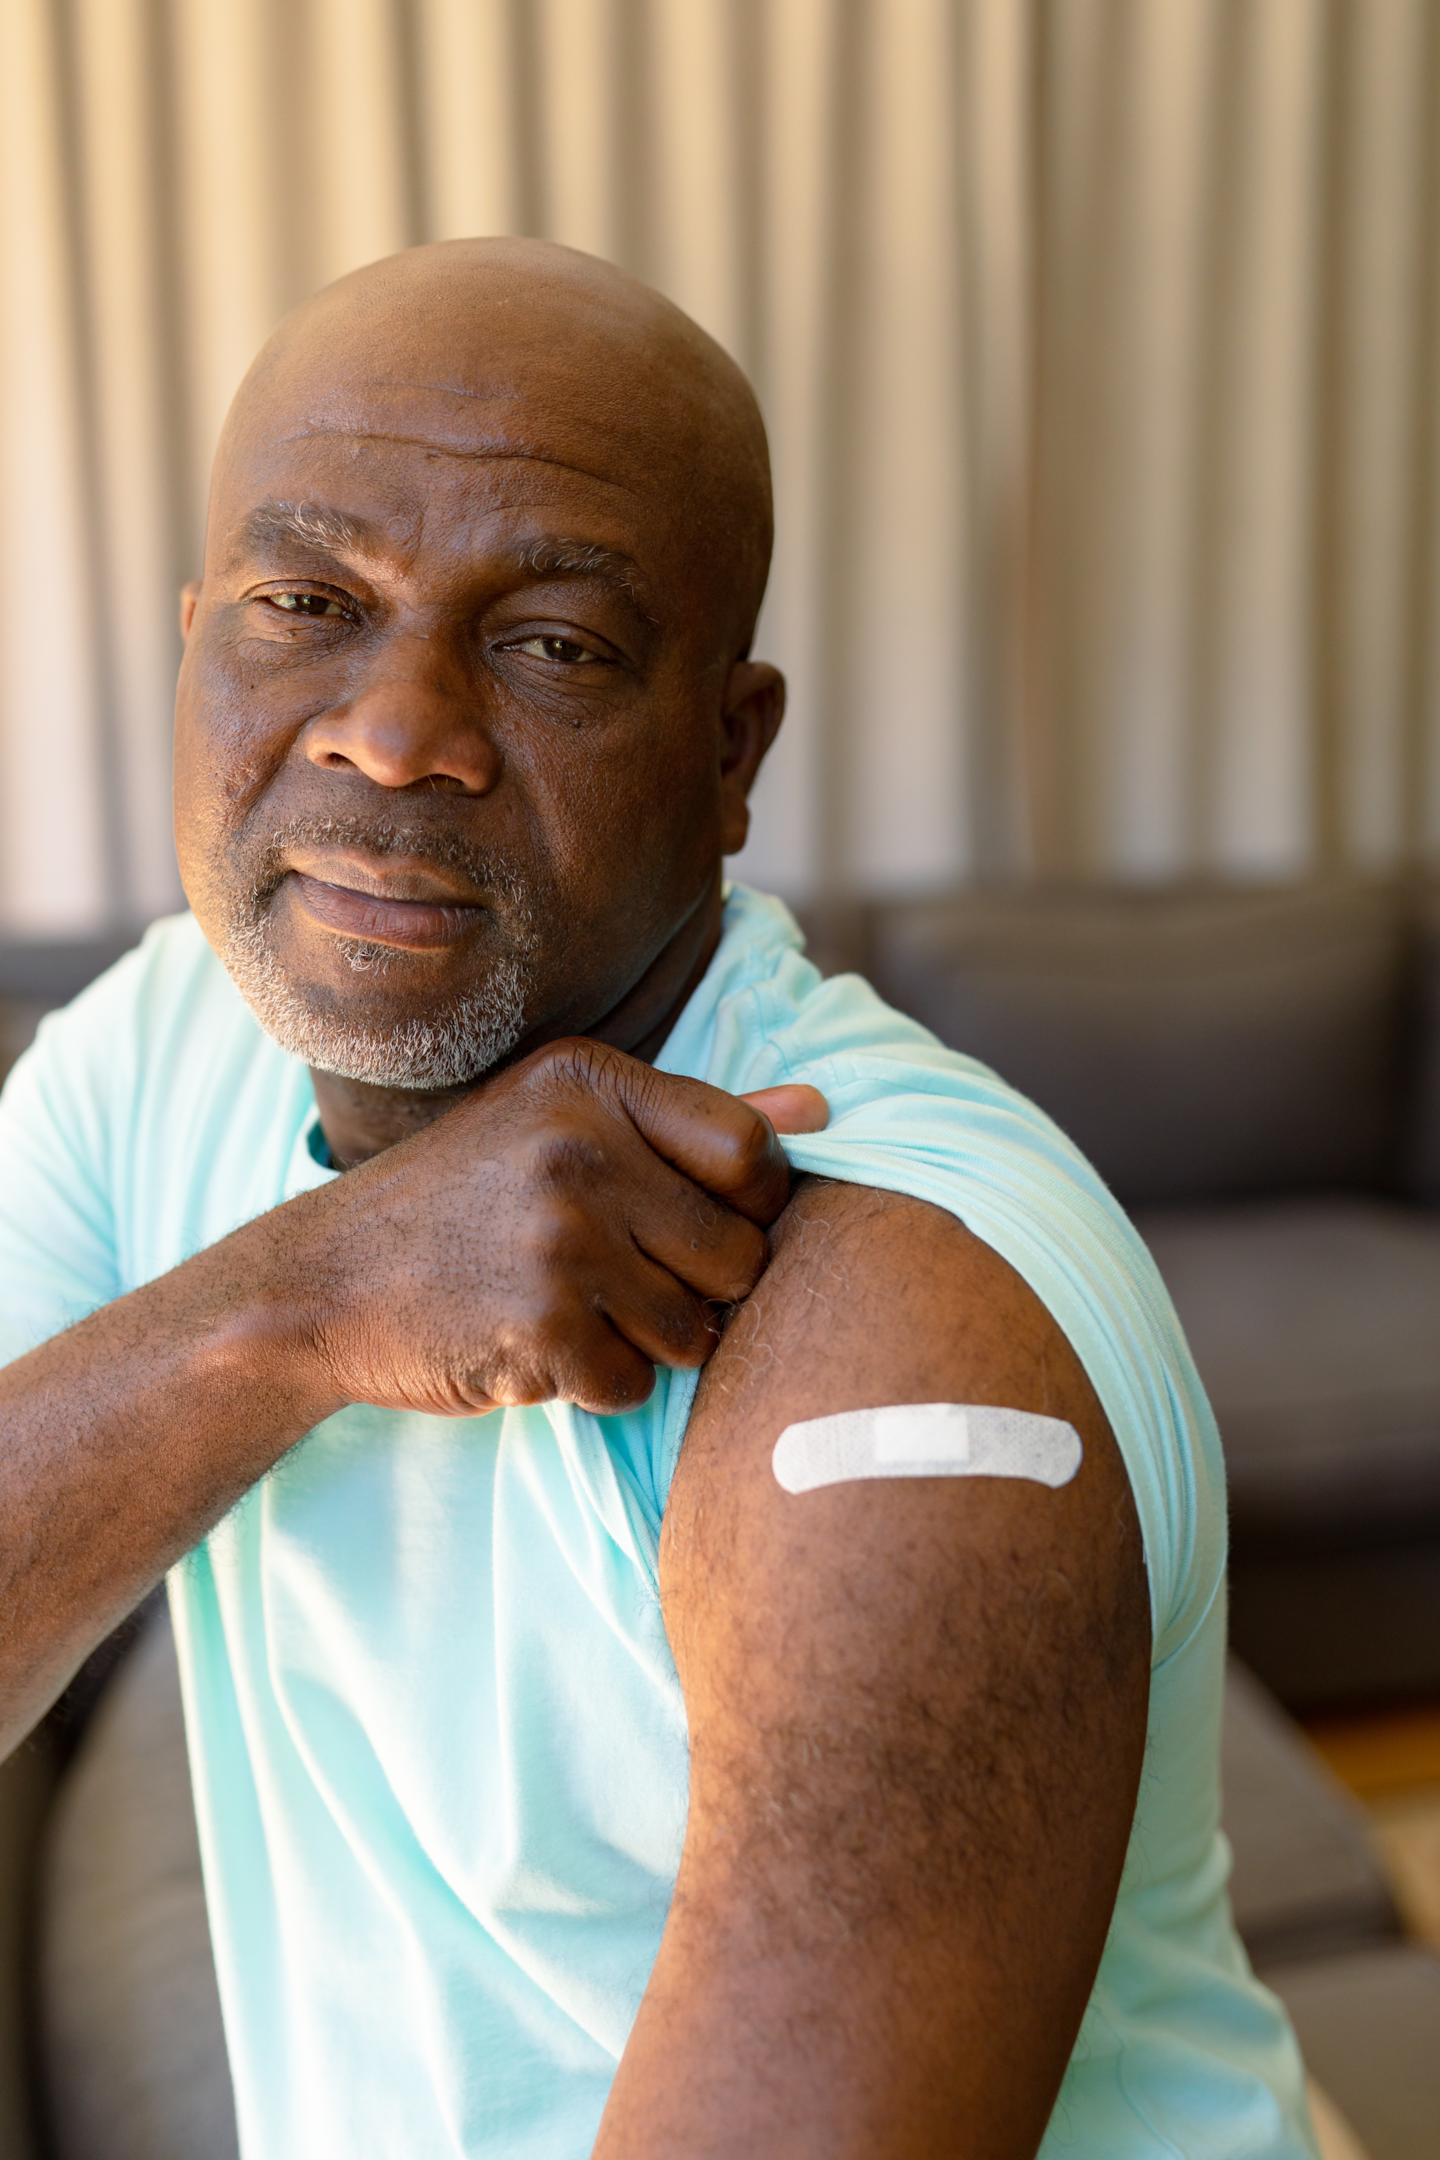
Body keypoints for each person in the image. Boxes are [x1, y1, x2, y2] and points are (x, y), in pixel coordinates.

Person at [0, 238, 1316, 2159]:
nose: (394, 733)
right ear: (196, 635)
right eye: (304, 601)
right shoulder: (154, 1050)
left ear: (731, 749)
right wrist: (299, 1304)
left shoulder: (895, 1308)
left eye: (550, 644)